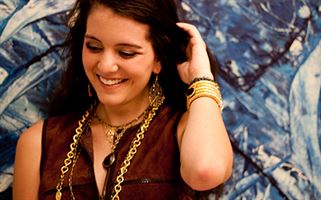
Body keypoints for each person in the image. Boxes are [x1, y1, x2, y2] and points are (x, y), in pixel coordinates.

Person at [13, 0, 233, 199]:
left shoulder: (182, 130)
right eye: (94, 47)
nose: (105, 66)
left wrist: (201, 77)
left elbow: (206, 172)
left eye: (126, 53)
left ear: (158, 59)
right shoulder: (39, 142)